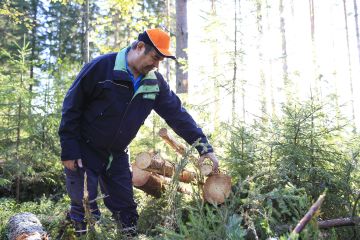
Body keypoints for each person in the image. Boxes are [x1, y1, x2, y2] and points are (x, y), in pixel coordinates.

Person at [58, 28, 219, 237]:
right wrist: (69, 149)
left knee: (126, 210)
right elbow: (72, 106)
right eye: (154, 57)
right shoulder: (102, 67)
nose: (156, 64)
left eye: (160, 60)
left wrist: (204, 148)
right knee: (85, 207)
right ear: (139, 47)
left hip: (116, 154)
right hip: (84, 149)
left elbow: (178, 116)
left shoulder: (155, 83)